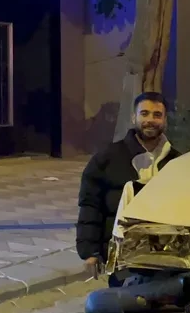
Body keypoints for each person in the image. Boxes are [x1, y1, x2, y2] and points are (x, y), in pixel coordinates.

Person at [77, 92, 182, 273]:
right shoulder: (107, 158)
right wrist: (90, 251)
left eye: (157, 115)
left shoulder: (178, 162)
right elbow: (90, 206)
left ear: (165, 120)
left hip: (166, 257)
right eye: (144, 113)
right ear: (134, 117)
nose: (150, 120)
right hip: (122, 258)